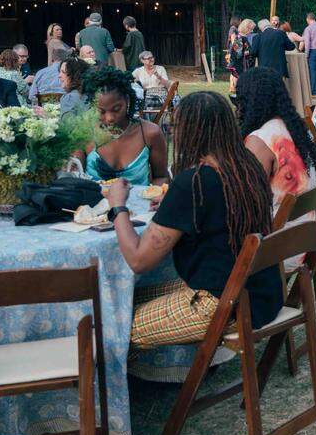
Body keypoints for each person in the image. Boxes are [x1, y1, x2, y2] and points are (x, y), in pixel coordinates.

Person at [104, 90, 282, 348]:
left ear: (189, 132)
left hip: (221, 303)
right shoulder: (247, 165)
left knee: (114, 324)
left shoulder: (194, 182)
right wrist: (175, 203)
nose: (172, 132)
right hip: (260, 293)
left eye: (175, 126)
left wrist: (117, 206)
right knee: (118, 301)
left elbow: (139, 260)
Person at [72, 67, 167, 187]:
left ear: (127, 100)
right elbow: (74, 173)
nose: (109, 118)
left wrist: (155, 194)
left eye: (116, 109)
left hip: (139, 200)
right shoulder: (85, 132)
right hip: (93, 199)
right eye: (101, 111)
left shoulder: (150, 133)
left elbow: (161, 177)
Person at [237, 67, 316, 203]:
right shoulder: (293, 128)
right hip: (303, 214)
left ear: (249, 101)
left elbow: (249, 196)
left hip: (276, 215)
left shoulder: (260, 139)